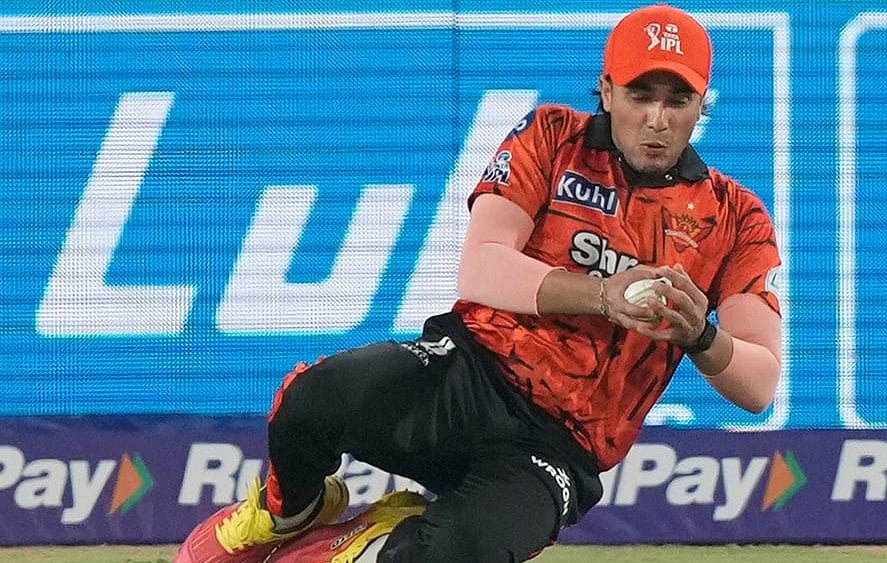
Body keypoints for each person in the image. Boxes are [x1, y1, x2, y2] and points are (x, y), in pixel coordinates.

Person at [176, 3, 783, 562]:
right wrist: (604, 294)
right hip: (469, 370)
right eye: (638, 94)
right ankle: (288, 513)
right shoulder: (551, 136)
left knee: (441, 556)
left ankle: (384, 534)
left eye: (677, 100)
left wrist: (700, 335)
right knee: (311, 400)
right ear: (606, 90)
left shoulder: (735, 217)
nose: (656, 119)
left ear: (702, 106)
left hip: (558, 448)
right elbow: (484, 266)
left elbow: (760, 383)